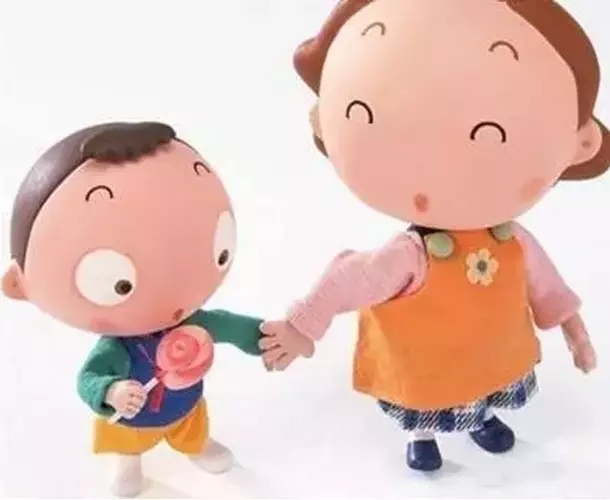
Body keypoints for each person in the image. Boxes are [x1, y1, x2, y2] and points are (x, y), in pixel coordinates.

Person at [260, 0, 607, 472]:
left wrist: (574, 329)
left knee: (484, 381)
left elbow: (548, 287)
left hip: (492, 354)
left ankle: (481, 417)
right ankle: (421, 433)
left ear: (580, 144)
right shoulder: (412, 254)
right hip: (426, 362)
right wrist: (302, 326)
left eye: (489, 135)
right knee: (425, 393)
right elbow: (352, 278)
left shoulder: (511, 241)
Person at [2, 122, 314, 496]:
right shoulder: (117, 348)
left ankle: (197, 446)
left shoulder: (196, 324)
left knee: (192, 430)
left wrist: (270, 339)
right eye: (120, 284)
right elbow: (89, 378)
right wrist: (111, 391)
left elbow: (233, 328)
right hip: (133, 420)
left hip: (186, 406)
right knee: (126, 441)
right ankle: (127, 463)